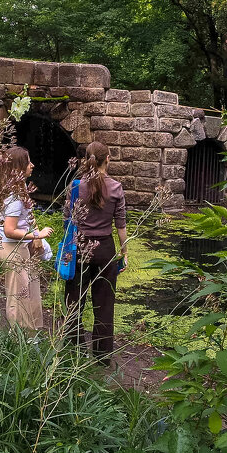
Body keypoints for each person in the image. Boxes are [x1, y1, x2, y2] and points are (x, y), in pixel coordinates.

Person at [65, 141, 128, 364]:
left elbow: (67, 219)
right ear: (107, 159)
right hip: (105, 250)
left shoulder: (75, 186)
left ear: (86, 160)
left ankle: (73, 350)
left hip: (78, 248)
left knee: (74, 300)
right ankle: (102, 356)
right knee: (104, 303)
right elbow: (121, 225)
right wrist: (124, 252)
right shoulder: (116, 188)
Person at [0, 146, 53, 330]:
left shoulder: (20, 190)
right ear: (20, 166)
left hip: (21, 246)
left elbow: (29, 215)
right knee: (18, 295)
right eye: (28, 162)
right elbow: (9, 230)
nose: (32, 165)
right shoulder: (14, 196)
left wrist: (36, 237)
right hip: (11, 247)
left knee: (30, 289)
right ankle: (18, 339)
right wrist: (37, 234)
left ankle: (32, 332)